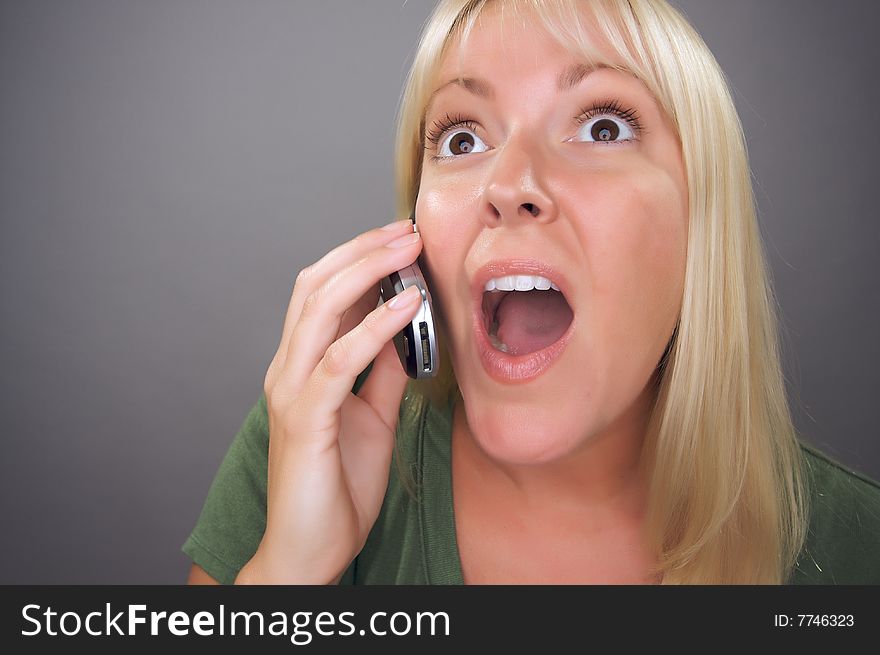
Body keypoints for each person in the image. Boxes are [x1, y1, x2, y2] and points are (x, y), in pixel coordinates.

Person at [183, 0, 880, 585]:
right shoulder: (315, 433)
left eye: (601, 126)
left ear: (703, 219)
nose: (510, 183)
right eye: (462, 138)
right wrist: (286, 573)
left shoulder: (858, 548)